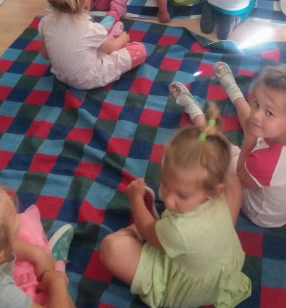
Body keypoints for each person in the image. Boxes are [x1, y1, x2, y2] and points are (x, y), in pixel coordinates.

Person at [99, 104, 252, 308]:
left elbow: (147, 231)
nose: (168, 200)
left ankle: (141, 231)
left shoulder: (180, 230)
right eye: (165, 183)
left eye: (182, 194)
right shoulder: (228, 185)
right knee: (160, 230)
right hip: (220, 267)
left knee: (111, 247)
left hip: (184, 284)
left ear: (213, 191)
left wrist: (136, 199)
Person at [170, 62, 286, 228]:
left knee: (222, 149)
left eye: (269, 112)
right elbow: (259, 120)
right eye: (256, 103)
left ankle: (196, 114)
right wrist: (257, 126)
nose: (257, 115)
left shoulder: (263, 162)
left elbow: (241, 178)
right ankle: (233, 90)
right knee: (254, 124)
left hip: (261, 213)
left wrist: (249, 141)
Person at [0, 183, 75, 308]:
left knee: (11, 233)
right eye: (15, 214)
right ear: (0, 256)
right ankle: (58, 268)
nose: (19, 216)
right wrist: (57, 282)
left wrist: (36, 254)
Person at [36, 0, 147, 90]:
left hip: (61, 75)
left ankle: (110, 27)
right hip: (87, 79)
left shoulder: (45, 22)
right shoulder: (89, 29)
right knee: (140, 50)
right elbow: (110, 49)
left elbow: (45, 55)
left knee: (93, 40)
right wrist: (124, 38)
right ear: (83, 2)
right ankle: (114, 16)